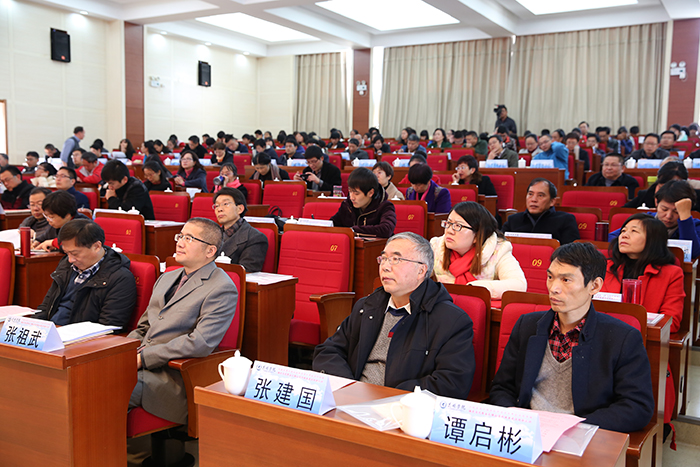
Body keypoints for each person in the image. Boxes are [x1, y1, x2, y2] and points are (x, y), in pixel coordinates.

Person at [489, 242, 654, 433]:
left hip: (582, 434)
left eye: (566, 280)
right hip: (525, 430)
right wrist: (516, 419)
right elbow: (502, 388)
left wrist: (578, 427)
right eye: (550, 277)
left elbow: (637, 406)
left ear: (594, 286)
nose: (554, 288)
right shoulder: (527, 325)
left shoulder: (622, 338)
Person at [313, 232, 475, 398]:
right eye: (383, 258)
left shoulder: (452, 321)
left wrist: (389, 397)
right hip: (352, 398)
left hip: (402, 406)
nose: (385, 266)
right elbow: (328, 352)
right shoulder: (367, 307)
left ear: (421, 270)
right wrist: (350, 388)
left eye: (396, 259)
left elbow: (452, 383)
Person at [128, 218, 238, 425]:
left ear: (210, 251)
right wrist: (122, 352)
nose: (179, 242)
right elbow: (144, 327)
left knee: (104, 387)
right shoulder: (167, 277)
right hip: (139, 362)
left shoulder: (221, 288)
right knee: (88, 376)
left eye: (189, 238)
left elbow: (199, 343)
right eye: (180, 236)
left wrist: (144, 358)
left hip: (171, 375)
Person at [33, 219, 136, 330]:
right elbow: (46, 307)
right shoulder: (66, 265)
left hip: (81, 337)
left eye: (75, 254)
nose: (70, 259)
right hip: (52, 331)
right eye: (67, 253)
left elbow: (109, 327)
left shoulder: (120, 278)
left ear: (96, 246)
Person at [430, 202, 526, 299]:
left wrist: (475, 289)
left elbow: (519, 284)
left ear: (477, 235)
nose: (449, 231)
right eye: (448, 223)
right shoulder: (436, 247)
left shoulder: (498, 251)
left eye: (458, 226)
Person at [610, 180, 700, 258]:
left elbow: (692, 254)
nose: (668, 216)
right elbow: (611, 238)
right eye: (664, 209)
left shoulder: (694, 225)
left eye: (676, 212)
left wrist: (685, 218)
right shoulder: (645, 220)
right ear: (656, 202)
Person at [502, 178, 580, 244]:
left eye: (540, 195)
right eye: (530, 194)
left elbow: (571, 252)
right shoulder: (513, 220)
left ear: (552, 201)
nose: (534, 199)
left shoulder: (565, 220)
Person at [330, 168, 397, 238]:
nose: (351, 197)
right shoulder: (347, 205)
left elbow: (386, 229)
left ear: (371, 193)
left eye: (356, 193)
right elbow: (333, 224)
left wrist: (353, 230)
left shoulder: (385, 206)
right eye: (350, 191)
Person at [214, 188, 268, 272]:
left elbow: (246, 272)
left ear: (240, 209)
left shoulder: (255, 238)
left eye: (225, 204)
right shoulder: (212, 234)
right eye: (217, 205)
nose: (219, 209)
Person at [624, 161, 692, 209]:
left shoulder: (692, 197)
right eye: (665, 183)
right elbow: (624, 210)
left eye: (673, 184)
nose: (668, 187)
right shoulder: (646, 195)